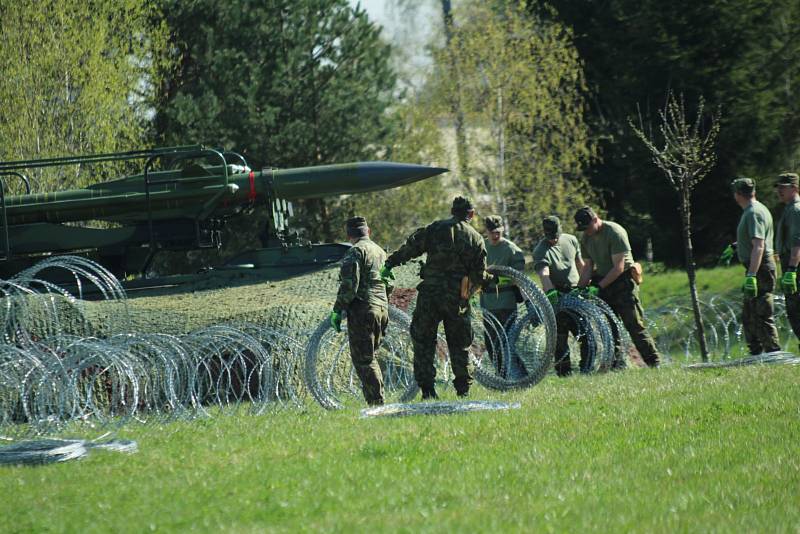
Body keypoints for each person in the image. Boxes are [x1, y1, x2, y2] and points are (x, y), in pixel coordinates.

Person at [381, 196, 491, 399]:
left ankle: (428, 390)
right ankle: (463, 390)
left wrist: (390, 262)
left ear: (452, 210)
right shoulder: (476, 238)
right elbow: (479, 274)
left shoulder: (435, 228)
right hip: (457, 298)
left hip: (430, 295)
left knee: (423, 341)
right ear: (471, 214)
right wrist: (480, 285)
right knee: (460, 344)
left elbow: (411, 248)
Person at [574, 206, 661, 367]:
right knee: (609, 329)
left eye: (588, 227)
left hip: (622, 283)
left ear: (595, 219)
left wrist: (598, 287)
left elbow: (619, 267)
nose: (586, 231)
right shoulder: (586, 238)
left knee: (634, 325)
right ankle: (617, 365)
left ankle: (653, 362)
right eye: (582, 229)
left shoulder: (614, 232)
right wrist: (579, 288)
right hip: (603, 282)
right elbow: (587, 267)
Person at [329, 216, 389, 406]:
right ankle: (378, 400)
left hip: (364, 309)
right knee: (371, 356)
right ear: (368, 232)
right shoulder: (380, 252)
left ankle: (377, 404)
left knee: (364, 360)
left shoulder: (355, 252)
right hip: (382, 309)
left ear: (349, 236)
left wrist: (338, 311)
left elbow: (349, 286)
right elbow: (390, 282)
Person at [532, 215, 589, 376]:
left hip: (576, 293)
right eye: (550, 237)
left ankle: (587, 367)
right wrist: (551, 294)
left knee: (585, 333)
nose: (553, 240)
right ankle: (564, 373)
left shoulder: (570, 240)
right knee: (560, 340)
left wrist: (585, 286)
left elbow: (581, 265)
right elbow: (544, 274)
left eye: (555, 236)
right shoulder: (540, 250)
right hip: (557, 293)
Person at [731, 178, 781, 354]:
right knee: (749, 314)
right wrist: (737, 246)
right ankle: (756, 352)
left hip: (760, 268)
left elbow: (759, 245)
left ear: (738, 194)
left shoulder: (753, 212)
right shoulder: (755, 210)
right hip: (756, 266)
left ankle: (773, 352)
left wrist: (752, 275)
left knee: (761, 312)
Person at [480, 215, 525, 376]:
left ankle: (521, 375)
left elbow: (518, 278)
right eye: (492, 232)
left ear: (503, 230)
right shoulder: (481, 248)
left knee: (507, 344)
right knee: (491, 345)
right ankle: (502, 377)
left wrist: (496, 279)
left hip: (506, 303)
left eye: (498, 232)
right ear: (486, 231)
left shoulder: (512, 250)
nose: (495, 235)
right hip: (488, 304)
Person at [775, 172, 800, 349]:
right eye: (778, 187)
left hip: (796, 267)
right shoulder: (789, 209)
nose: (779, 191)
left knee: (796, 311)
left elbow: (797, 242)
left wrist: (792, 270)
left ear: (794, 188)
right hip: (791, 264)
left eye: (783, 187)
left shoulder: (795, 211)